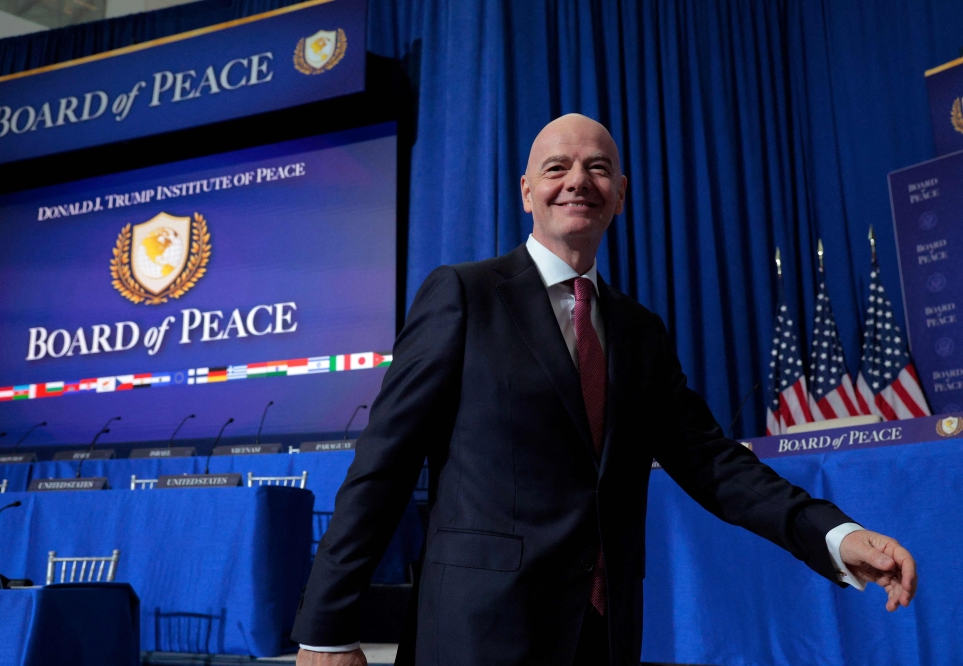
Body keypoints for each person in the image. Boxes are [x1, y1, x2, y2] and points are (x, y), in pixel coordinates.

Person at [293, 114, 917, 666]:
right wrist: (327, 628)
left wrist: (833, 534)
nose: (577, 181)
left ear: (620, 196)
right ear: (527, 192)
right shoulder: (463, 295)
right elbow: (383, 465)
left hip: (603, 632)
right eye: (557, 167)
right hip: (476, 631)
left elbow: (713, 462)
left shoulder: (640, 332)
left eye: (598, 169)